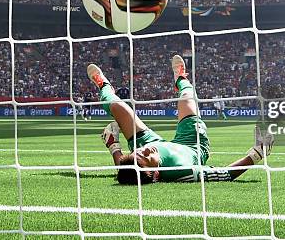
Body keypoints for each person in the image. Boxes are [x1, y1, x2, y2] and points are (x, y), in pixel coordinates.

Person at [87, 55, 273, 184]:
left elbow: (126, 166)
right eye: (145, 157)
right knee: (186, 98)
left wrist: (116, 148)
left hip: (153, 140)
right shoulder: (182, 171)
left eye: (138, 152)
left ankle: (104, 85)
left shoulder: (142, 151)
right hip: (192, 144)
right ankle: (181, 79)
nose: (143, 151)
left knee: (118, 107)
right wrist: (257, 153)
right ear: (157, 173)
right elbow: (225, 174)